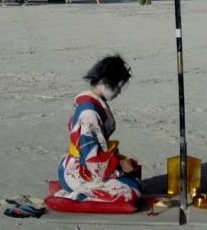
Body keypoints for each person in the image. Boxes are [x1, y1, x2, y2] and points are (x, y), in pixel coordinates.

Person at [54, 55, 142, 203]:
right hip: (78, 171)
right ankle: (77, 196)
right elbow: (90, 157)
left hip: (79, 165)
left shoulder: (89, 105)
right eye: (118, 86)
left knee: (134, 179)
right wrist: (119, 164)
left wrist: (120, 160)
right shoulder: (89, 112)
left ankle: (83, 190)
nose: (119, 92)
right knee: (133, 190)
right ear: (107, 83)